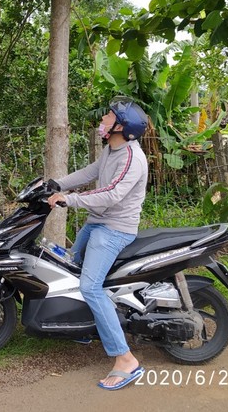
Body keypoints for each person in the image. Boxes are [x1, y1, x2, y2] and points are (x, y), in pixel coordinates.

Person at [48, 97, 149, 391]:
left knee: (90, 286)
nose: (103, 120)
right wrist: (56, 184)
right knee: (69, 267)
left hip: (115, 229)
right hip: (97, 223)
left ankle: (125, 359)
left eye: (108, 117)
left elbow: (112, 194)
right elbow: (92, 172)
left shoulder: (132, 158)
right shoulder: (111, 149)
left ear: (121, 127)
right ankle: (85, 327)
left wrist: (71, 199)